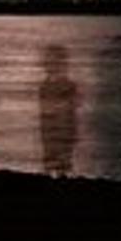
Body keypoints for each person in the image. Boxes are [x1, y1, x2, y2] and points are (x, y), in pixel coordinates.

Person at [37, 45, 81, 177]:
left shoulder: (68, 85)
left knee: (62, 161)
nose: (49, 65)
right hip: (51, 128)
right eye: (48, 62)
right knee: (50, 158)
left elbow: (73, 105)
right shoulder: (45, 85)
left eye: (53, 62)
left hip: (63, 127)